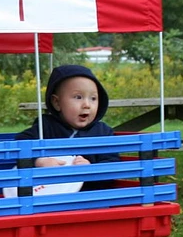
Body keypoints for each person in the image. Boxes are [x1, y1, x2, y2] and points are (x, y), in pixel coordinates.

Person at [14, 64, 120, 192]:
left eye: (93, 98)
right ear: (57, 102)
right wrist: (39, 161)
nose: (87, 105)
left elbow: (112, 165)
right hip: (52, 198)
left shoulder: (103, 132)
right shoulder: (46, 127)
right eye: (78, 97)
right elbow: (21, 145)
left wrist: (91, 169)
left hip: (91, 199)